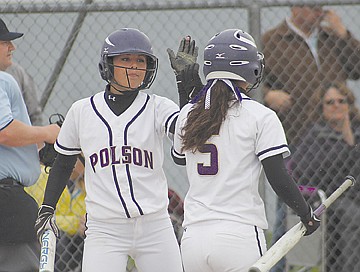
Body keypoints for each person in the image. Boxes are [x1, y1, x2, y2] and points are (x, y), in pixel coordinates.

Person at [34, 28, 183, 272]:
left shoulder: (158, 107)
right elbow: (63, 163)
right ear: (108, 65)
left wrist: (185, 90)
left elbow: (186, 134)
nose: (134, 67)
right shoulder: (82, 110)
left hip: (155, 224)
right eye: (125, 59)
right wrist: (47, 208)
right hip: (105, 228)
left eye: (140, 61)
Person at [171, 28, 320, 272]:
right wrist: (305, 213)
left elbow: (179, 158)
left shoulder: (190, 111)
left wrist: (188, 97)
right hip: (239, 235)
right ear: (248, 68)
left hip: (194, 239)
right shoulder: (260, 115)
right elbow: (278, 177)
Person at [0, 18, 60, 272]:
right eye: (4, 42)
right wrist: (47, 133)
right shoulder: (2, 80)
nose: (12, 47)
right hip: (6, 202)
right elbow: (5, 132)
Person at [262, 4, 360, 148]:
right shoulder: (271, 41)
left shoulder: (333, 36)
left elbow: (356, 70)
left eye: (321, 7)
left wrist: (344, 34)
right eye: (313, 7)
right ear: (295, 8)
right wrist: (268, 95)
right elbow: (250, 81)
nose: (319, 12)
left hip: (338, 132)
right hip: (295, 131)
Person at [289, 81, 360, 272]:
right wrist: (346, 144)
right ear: (322, 109)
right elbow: (306, 171)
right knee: (352, 215)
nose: (337, 105)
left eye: (341, 100)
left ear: (349, 103)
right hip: (327, 198)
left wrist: (349, 137)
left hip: (355, 196)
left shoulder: (357, 132)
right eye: (330, 102)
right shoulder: (316, 137)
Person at [26, 157, 86, 272]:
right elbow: (42, 217)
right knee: (59, 237)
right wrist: (75, 223)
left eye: (77, 158)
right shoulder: (46, 179)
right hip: (55, 234)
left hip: (79, 238)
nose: (72, 163)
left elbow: (84, 220)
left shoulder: (89, 188)